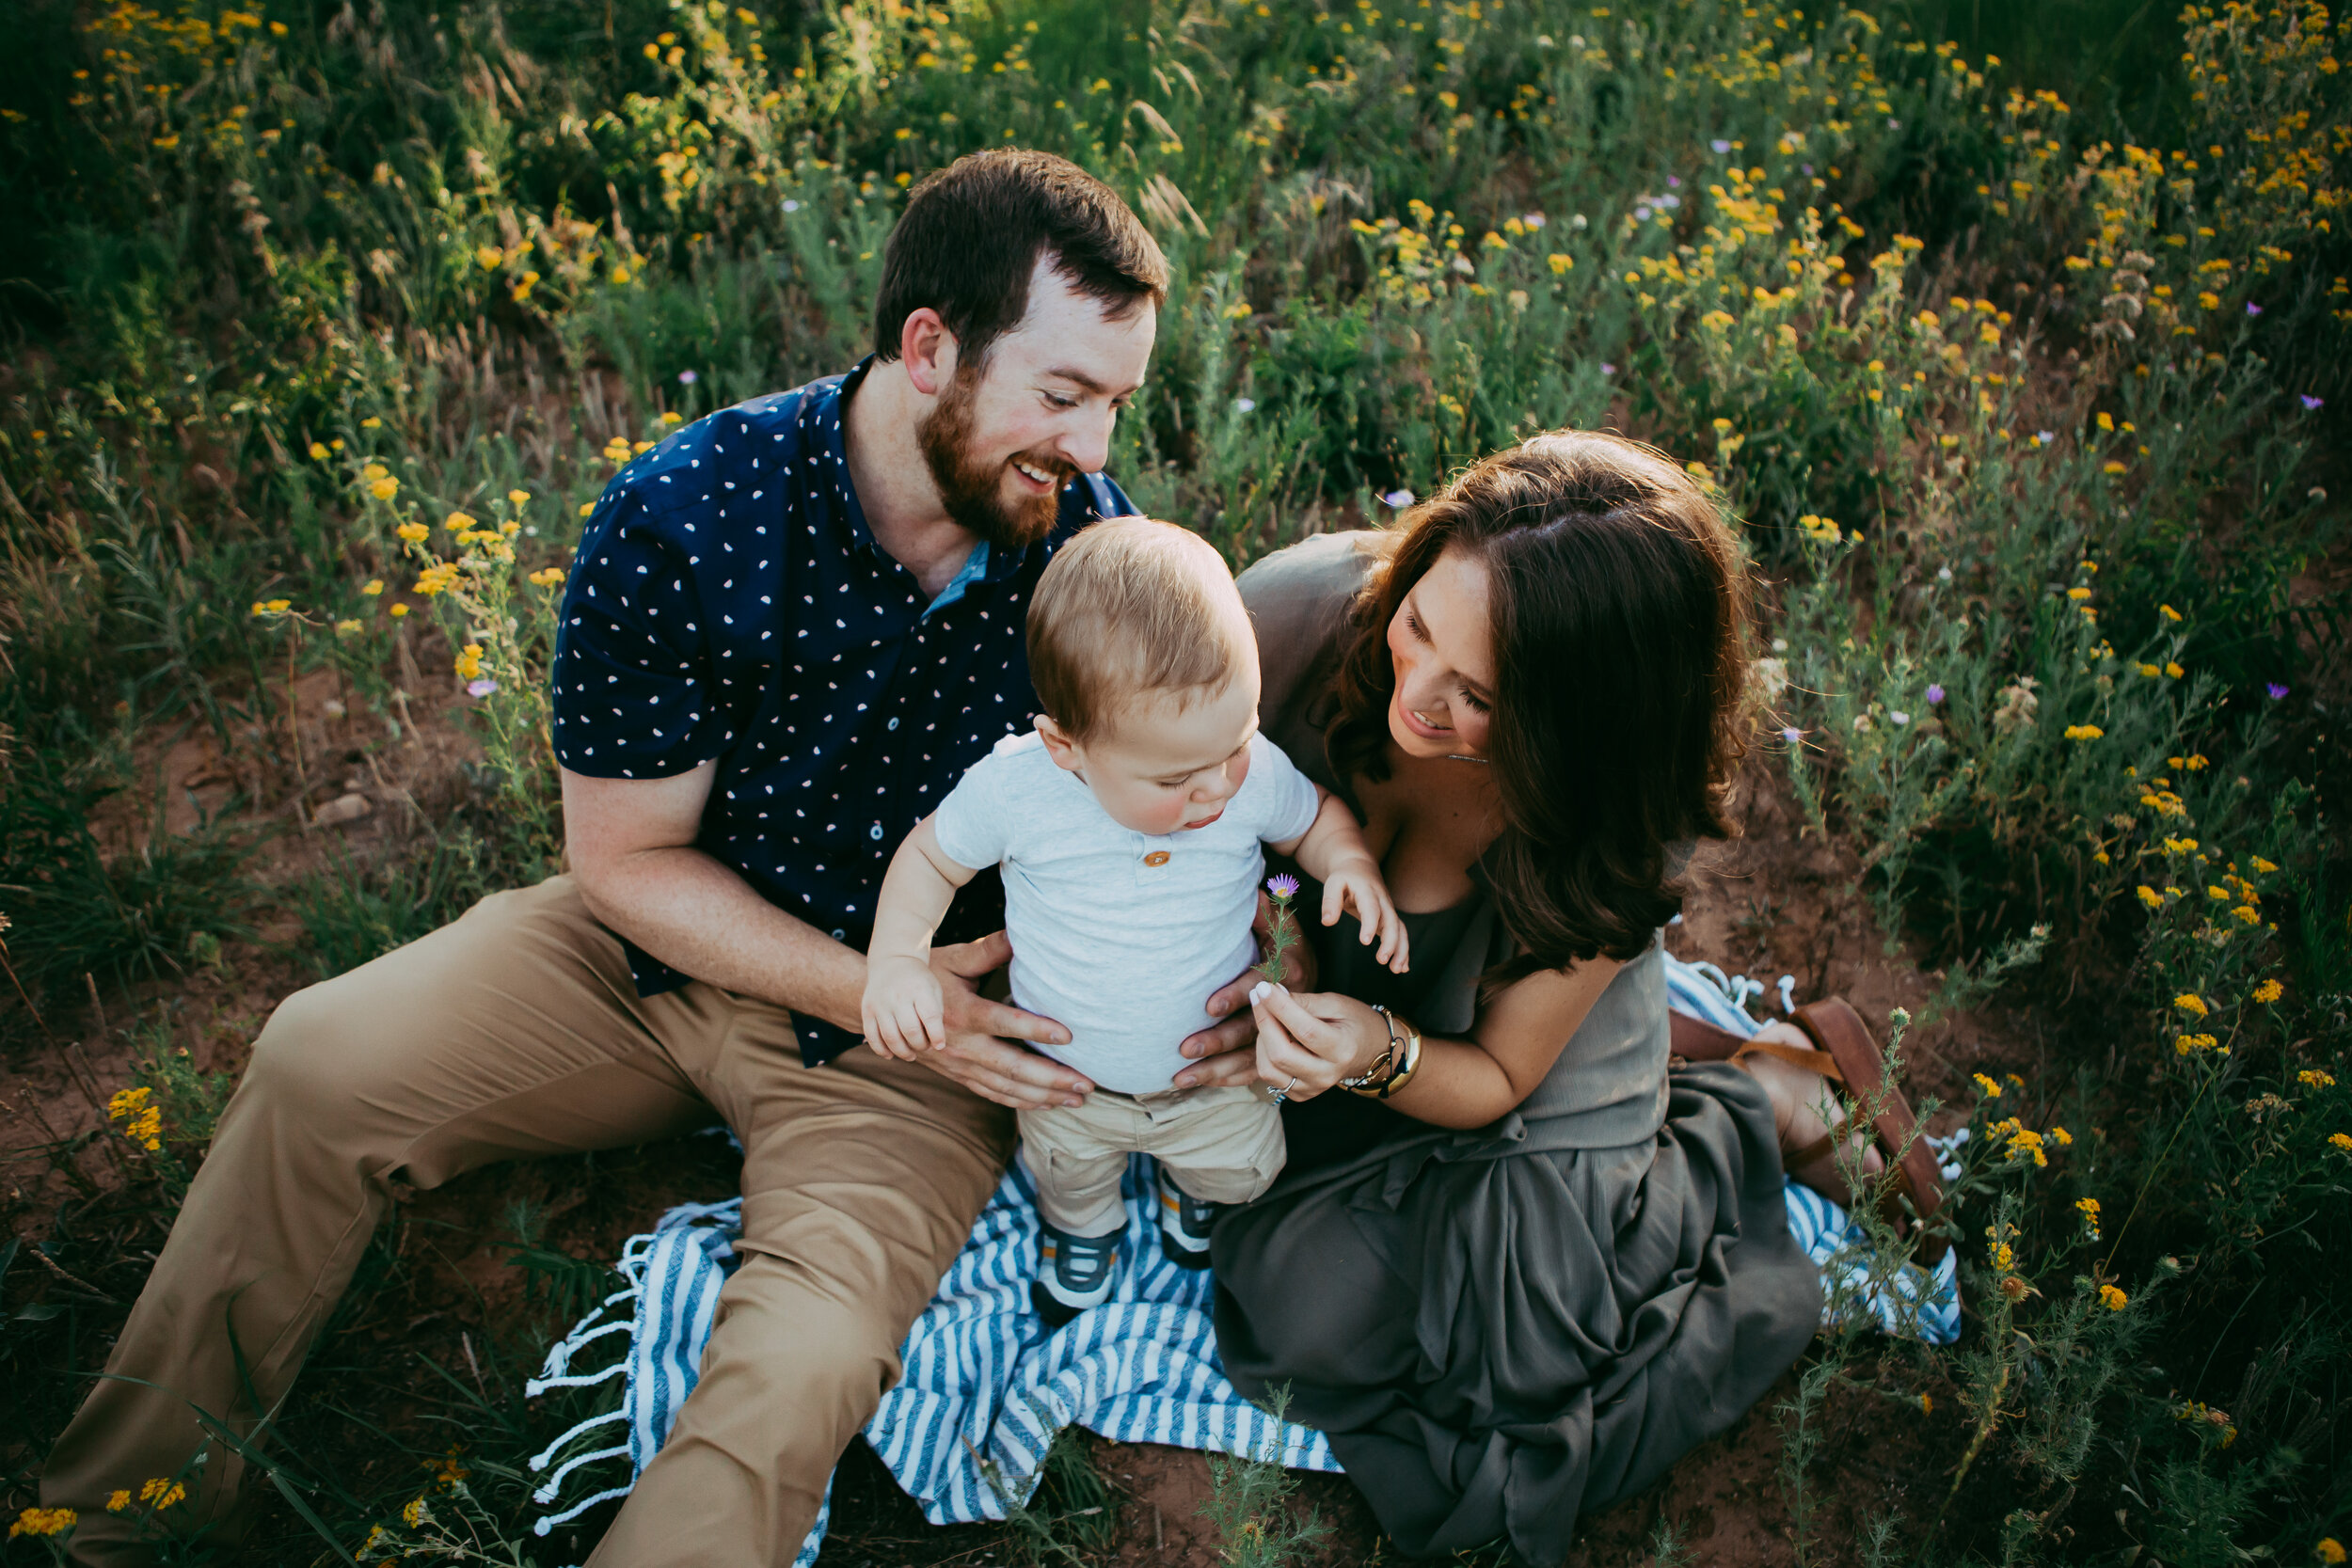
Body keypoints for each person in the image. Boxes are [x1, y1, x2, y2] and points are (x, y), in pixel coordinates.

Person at [39, 149, 1227, 1568]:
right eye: (1063, 394)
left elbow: (1179, 795)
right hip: (657, 957)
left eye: (1117, 403)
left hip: (913, 1045)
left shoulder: (1089, 556)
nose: (1095, 448)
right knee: (315, 1057)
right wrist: (869, 980)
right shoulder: (688, 515)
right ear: (928, 349)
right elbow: (622, 859)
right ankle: (107, 1520)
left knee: (804, 1357)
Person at [1168, 431, 1934, 1565]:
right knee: (1301, 1321)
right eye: (1418, 626)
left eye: (1481, 697)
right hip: (1330, 1027)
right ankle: (1716, 1056)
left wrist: (1373, 1049)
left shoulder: (1612, 809)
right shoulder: (1281, 621)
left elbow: (1497, 1077)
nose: (1417, 698)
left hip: (1488, 1049)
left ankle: (1746, 1104)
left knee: (1525, 1343)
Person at [859, 517, 1406, 1323]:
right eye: (1178, 778)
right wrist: (898, 959)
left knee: (1233, 1165)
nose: (1218, 789)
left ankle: (1192, 1196)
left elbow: (1309, 818)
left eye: (1238, 743)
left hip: (1209, 1075)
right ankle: (1084, 1231)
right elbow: (930, 858)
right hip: (1070, 1082)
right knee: (1069, 1173)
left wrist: (1349, 861)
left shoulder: (1238, 771)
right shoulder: (1018, 791)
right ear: (1065, 746)